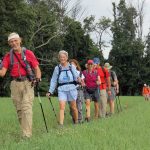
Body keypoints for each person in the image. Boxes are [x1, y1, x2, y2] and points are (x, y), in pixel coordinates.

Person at [0, 32, 41, 138]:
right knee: (19, 110)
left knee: (26, 107)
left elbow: (36, 68)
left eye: (15, 40)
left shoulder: (28, 53)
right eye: (11, 41)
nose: (14, 43)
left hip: (28, 82)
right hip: (14, 84)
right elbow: (2, 73)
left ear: (20, 40)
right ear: (9, 43)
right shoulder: (8, 56)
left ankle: (27, 135)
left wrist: (38, 78)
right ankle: (25, 131)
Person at [46, 50, 80, 126]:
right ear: (59, 58)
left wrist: (79, 80)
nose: (62, 58)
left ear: (67, 58)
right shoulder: (57, 68)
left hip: (72, 89)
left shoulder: (72, 67)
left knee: (73, 107)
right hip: (62, 89)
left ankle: (76, 122)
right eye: (61, 57)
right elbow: (54, 80)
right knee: (62, 106)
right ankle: (61, 124)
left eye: (64, 57)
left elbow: (76, 77)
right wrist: (50, 91)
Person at [69, 59, 85, 123]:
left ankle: (80, 120)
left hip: (78, 90)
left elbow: (83, 83)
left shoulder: (80, 73)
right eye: (70, 64)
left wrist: (82, 83)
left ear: (76, 65)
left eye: (73, 64)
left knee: (79, 105)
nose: (72, 65)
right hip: (70, 90)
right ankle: (74, 119)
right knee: (72, 107)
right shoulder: (68, 73)